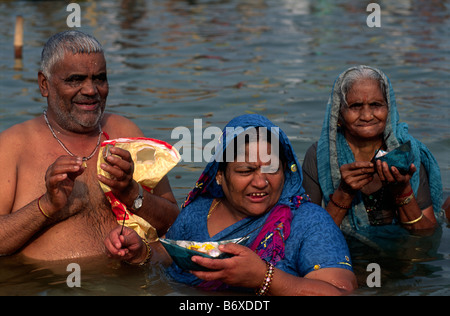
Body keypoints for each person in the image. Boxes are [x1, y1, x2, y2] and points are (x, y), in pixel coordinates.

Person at [106, 114, 357, 295]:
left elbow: (341, 291)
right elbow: (171, 256)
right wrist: (142, 253)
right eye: (246, 170)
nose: (261, 182)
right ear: (219, 175)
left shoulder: (308, 222)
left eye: (272, 169)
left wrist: (264, 278)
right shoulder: (198, 211)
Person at [0, 31, 179, 261]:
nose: (91, 90)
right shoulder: (12, 146)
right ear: (44, 84)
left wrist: (132, 193)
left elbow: (176, 225)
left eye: (99, 78)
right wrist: (46, 206)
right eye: (75, 80)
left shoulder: (126, 134)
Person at [302, 65, 443, 237]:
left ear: (389, 109)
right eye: (355, 106)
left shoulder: (405, 152)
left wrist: (402, 192)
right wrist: (344, 193)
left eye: (376, 105)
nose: (367, 115)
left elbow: (427, 235)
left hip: (398, 253)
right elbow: (309, 237)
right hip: (345, 255)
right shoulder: (320, 155)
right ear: (338, 114)